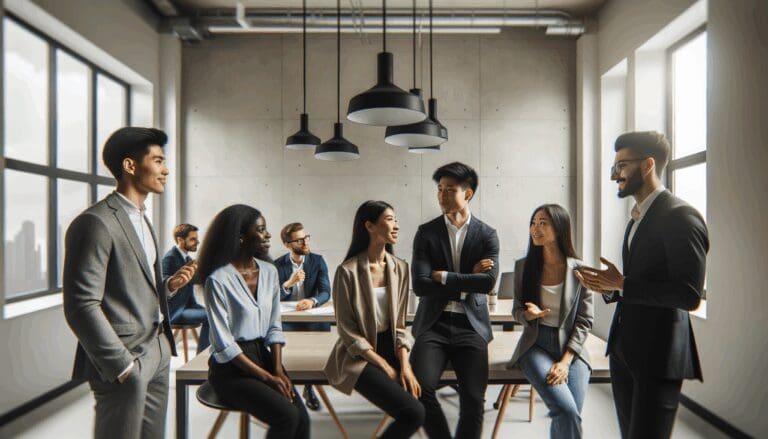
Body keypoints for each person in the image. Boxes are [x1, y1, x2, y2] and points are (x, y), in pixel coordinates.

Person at [575, 131, 708, 439]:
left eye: (621, 165)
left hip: (658, 357)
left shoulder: (681, 216)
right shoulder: (637, 218)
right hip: (626, 352)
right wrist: (609, 287)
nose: (614, 175)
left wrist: (623, 284)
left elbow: (688, 295)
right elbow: (638, 284)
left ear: (648, 165)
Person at [63, 127, 186, 439]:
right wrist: (122, 367)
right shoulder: (95, 222)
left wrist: (169, 286)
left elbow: (136, 284)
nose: (166, 169)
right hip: (124, 360)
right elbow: (81, 305)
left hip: (157, 350)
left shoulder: (143, 218)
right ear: (130, 166)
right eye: (158, 161)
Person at [198, 204, 309, 439]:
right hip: (231, 369)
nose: (268, 235)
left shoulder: (269, 272)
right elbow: (223, 344)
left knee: (302, 421)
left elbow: (274, 327)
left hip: (265, 357)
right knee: (287, 417)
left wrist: (277, 369)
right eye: (261, 230)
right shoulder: (218, 280)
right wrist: (268, 378)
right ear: (239, 237)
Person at [410, 162, 500, 439]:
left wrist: (445, 277)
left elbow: (487, 283)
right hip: (432, 325)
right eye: (439, 189)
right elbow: (421, 286)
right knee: (419, 390)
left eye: (450, 190)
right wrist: (465, 281)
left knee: (473, 400)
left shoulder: (487, 234)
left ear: (468, 194)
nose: (442, 195)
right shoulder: (427, 232)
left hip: (471, 327)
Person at [324, 201, 425, 438]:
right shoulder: (347, 271)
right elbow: (347, 331)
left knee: (422, 399)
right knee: (413, 412)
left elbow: (400, 326)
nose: (396, 225)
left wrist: (405, 365)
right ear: (369, 226)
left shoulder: (400, 268)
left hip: (393, 348)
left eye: (395, 219)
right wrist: (385, 366)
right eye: (390, 219)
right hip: (359, 355)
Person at [507, 204, 594, 439]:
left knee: (570, 412)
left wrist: (565, 362)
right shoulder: (523, 267)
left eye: (543, 223)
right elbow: (516, 310)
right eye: (533, 223)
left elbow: (585, 321)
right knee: (566, 411)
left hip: (571, 348)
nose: (535, 228)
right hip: (536, 344)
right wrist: (528, 315)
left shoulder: (581, 270)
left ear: (560, 228)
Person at [275, 222, 332, 410]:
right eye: (299, 240)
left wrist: (312, 301)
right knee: (280, 348)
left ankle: (309, 388)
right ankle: (286, 389)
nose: (305, 242)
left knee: (316, 350)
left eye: (306, 238)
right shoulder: (277, 265)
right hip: (287, 319)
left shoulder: (318, 260)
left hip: (311, 316)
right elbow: (271, 296)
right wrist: (288, 284)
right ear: (287, 244)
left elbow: (325, 291)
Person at [162, 223, 210, 354]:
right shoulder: (170, 258)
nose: (197, 242)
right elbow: (162, 288)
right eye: (193, 239)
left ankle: (208, 356)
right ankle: (202, 358)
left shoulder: (188, 258)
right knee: (210, 316)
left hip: (188, 306)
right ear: (180, 240)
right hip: (174, 311)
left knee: (216, 312)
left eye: (196, 238)